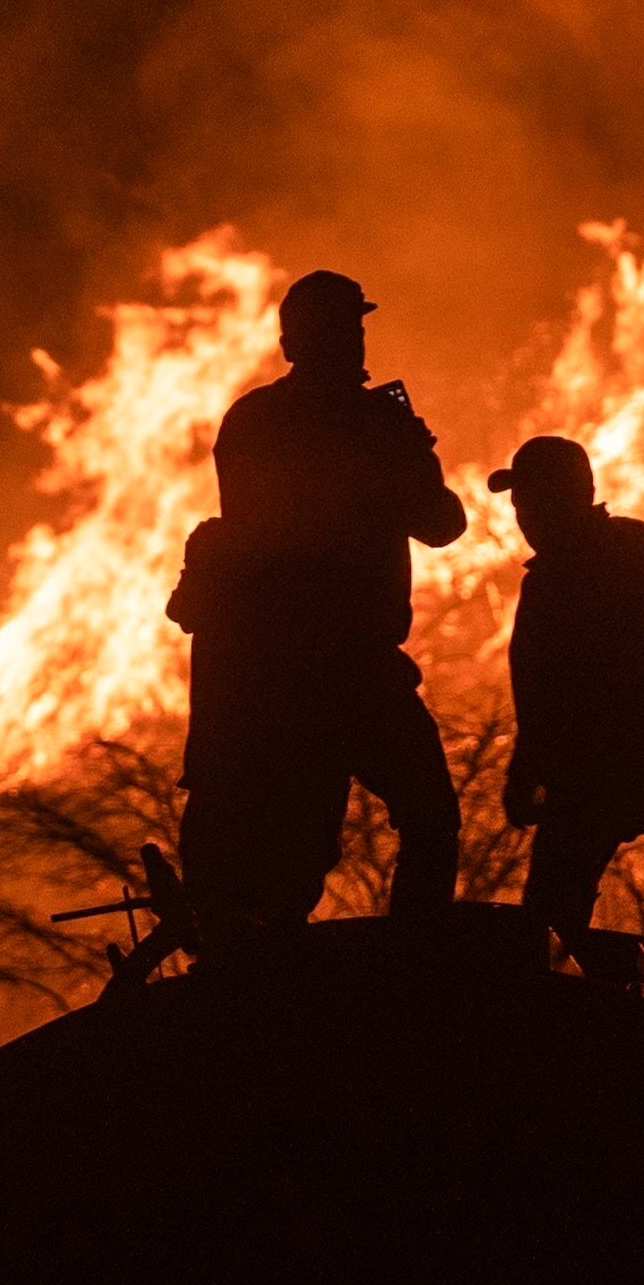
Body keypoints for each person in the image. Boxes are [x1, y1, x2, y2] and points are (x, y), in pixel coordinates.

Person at [169, 270, 469, 926]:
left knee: (304, 853)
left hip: (292, 672)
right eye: (347, 328)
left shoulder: (252, 421)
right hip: (340, 668)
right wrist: (409, 456)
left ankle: (291, 980)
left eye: (356, 328)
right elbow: (442, 522)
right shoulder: (369, 424)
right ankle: (405, 970)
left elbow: (258, 531)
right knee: (425, 818)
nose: (356, 341)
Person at [489, 434, 644, 972]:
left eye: (531, 501)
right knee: (558, 898)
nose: (522, 515)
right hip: (617, 765)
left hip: (604, 769)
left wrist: (532, 768)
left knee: (547, 913)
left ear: (567, 495)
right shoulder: (640, 550)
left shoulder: (572, 573)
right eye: (519, 504)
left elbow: (564, 694)